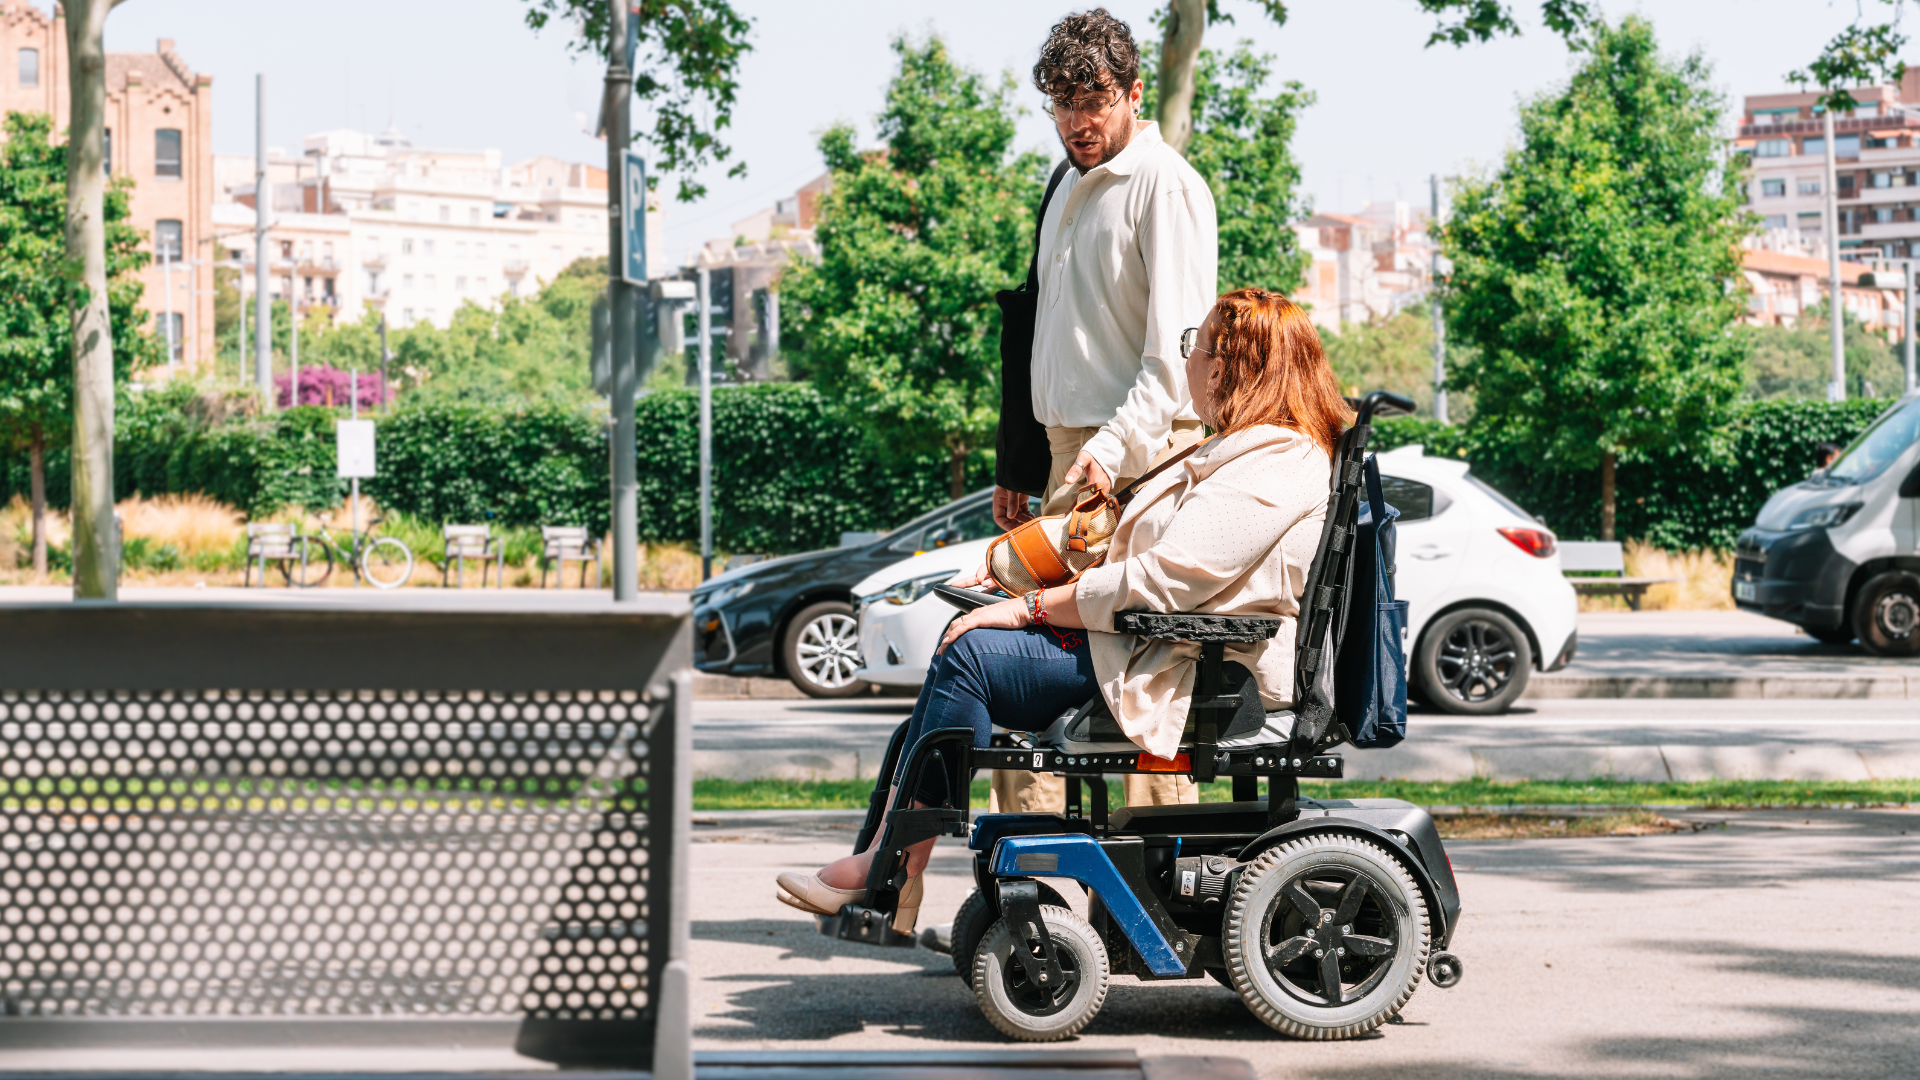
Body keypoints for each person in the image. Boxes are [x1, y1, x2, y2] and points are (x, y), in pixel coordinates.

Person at [775, 289, 1352, 930]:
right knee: (946, 685)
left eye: (1197, 345)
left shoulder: (1276, 460)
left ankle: (891, 869)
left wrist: (1029, 610)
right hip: (1151, 644)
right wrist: (1000, 573)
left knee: (968, 656)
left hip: (1189, 665)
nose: (1186, 357)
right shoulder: (1244, 450)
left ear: (1225, 366)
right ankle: (887, 867)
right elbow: (1115, 538)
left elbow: (1165, 580)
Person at [994, 8, 1219, 812]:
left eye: (1092, 102)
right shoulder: (1064, 184)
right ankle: (1036, 893)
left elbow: (1177, 358)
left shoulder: (1168, 188)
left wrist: (1111, 453)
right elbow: (1039, 329)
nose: (1076, 122)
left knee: (1135, 677)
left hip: (1139, 458)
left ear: (1132, 94)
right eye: (1060, 104)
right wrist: (1020, 462)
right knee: (1034, 661)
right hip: (1068, 455)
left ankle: (1160, 901)